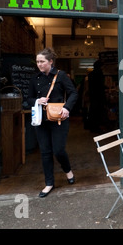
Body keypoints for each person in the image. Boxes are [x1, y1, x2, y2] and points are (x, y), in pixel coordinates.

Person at [28, 48, 78, 198]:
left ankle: (68, 170)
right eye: (37, 62)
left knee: (58, 150)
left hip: (59, 119)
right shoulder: (34, 78)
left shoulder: (60, 75)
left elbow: (73, 93)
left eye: (42, 61)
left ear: (50, 61)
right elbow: (28, 98)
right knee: (45, 152)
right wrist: (38, 100)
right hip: (41, 120)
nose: (39, 64)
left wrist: (67, 108)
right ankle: (49, 183)